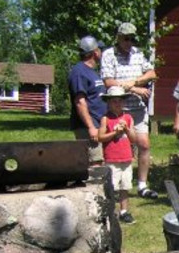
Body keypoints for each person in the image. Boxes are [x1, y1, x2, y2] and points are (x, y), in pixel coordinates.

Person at [101, 22, 159, 199]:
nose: (129, 42)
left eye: (132, 38)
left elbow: (152, 74)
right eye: (126, 38)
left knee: (144, 145)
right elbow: (109, 82)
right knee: (116, 147)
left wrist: (133, 83)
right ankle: (115, 186)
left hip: (138, 109)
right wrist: (135, 89)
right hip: (119, 109)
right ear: (118, 38)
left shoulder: (138, 53)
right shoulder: (109, 55)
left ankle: (142, 185)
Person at [97, 86, 137, 224]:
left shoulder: (128, 117)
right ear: (108, 103)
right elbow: (100, 137)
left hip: (126, 158)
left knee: (125, 186)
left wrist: (126, 129)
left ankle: (124, 211)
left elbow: (134, 139)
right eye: (114, 101)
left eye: (120, 101)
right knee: (111, 186)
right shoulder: (106, 119)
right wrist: (114, 133)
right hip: (112, 158)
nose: (118, 104)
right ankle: (110, 211)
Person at [68, 36, 106, 165]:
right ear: (95, 52)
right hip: (87, 127)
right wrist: (91, 127)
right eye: (100, 49)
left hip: (98, 125)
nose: (101, 52)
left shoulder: (91, 72)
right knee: (94, 163)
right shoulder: (79, 72)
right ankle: (92, 186)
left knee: (99, 162)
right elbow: (80, 102)